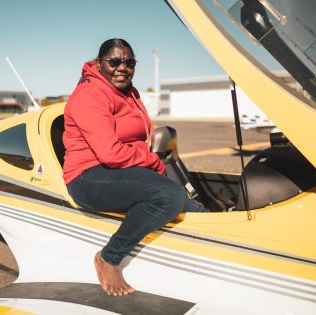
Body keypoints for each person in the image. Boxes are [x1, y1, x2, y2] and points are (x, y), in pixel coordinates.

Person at [63, 38, 208, 296]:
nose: (123, 67)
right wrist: (152, 161)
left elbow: (137, 139)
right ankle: (108, 258)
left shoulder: (129, 91)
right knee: (168, 195)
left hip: (119, 168)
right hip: (87, 175)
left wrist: (149, 161)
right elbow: (109, 152)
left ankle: (216, 233)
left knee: (190, 204)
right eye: (115, 61)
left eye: (129, 62)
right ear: (98, 63)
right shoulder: (89, 94)